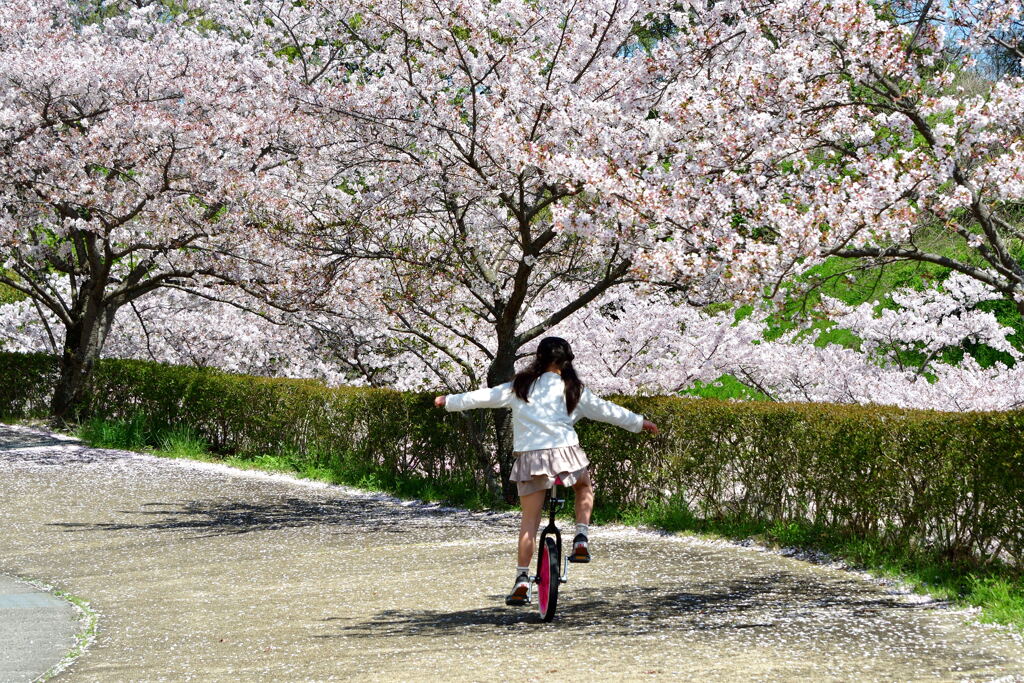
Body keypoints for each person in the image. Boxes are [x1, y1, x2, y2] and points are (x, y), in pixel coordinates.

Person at [434, 336, 658, 606]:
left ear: (538, 358)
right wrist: (640, 422)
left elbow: (484, 396)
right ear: (566, 361)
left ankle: (522, 579)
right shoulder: (573, 388)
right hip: (566, 455)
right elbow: (608, 411)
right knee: (584, 486)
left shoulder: (521, 386)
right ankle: (581, 537)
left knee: (529, 522)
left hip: (531, 459)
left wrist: (449, 400)